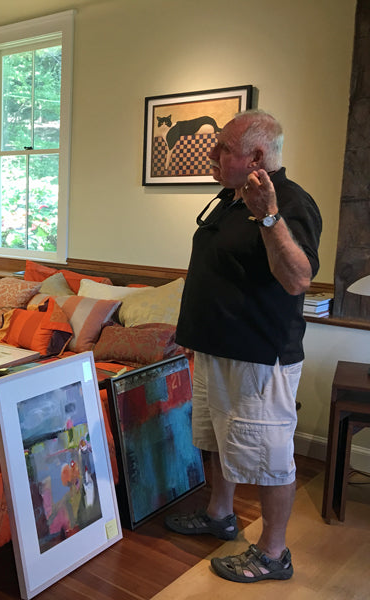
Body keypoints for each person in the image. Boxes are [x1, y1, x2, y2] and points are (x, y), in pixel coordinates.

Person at [166, 109, 322, 583]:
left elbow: (298, 279)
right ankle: (220, 515)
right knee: (220, 439)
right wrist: (194, 336)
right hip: (217, 349)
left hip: (259, 357)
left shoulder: (289, 202)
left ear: (256, 156)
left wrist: (269, 216)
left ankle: (274, 553)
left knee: (271, 458)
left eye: (223, 149)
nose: (211, 155)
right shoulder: (232, 199)